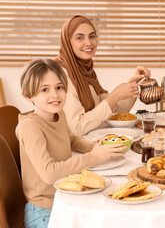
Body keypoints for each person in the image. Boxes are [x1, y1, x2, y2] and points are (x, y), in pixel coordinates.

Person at [16, 59, 127, 228]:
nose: (55, 94)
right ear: (27, 95)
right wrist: (93, 157)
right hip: (45, 211)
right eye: (45, 89)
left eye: (59, 87)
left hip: (64, 198)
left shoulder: (58, 115)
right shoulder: (30, 127)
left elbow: (72, 139)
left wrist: (92, 147)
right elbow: (50, 174)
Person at [55, 15, 151, 136]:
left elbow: (112, 113)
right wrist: (114, 95)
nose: (88, 43)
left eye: (92, 36)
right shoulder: (58, 74)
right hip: (73, 148)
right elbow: (77, 127)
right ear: (67, 42)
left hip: (94, 140)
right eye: (80, 38)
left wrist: (132, 84)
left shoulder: (84, 69)